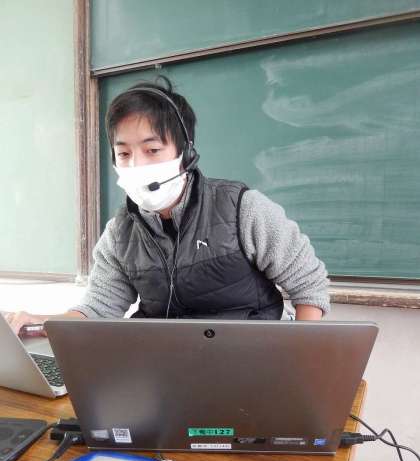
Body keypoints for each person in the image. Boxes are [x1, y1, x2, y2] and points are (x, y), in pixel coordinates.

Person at [6, 77, 329, 336]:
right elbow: (99, 309)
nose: (136, 164)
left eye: (152, 150)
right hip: (163, 368)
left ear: (186, 153)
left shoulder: (242, 208)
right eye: (124, 154)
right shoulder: (120, 233)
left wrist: (299, 359)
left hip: (253, 360)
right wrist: (43, 322)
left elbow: (308, 284)